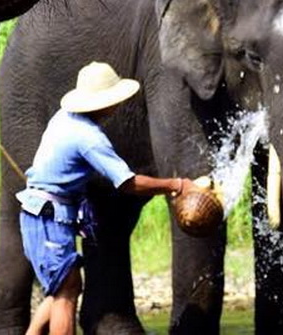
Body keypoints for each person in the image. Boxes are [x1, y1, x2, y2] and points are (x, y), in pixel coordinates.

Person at [17, 61, 199, 335]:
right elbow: (128, 183)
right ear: (104, 103)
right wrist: (177, 184)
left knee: (60, 288)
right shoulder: (89, 137)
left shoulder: (64, 118)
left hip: (39, 215)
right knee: (67, 291)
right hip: (47, 218)